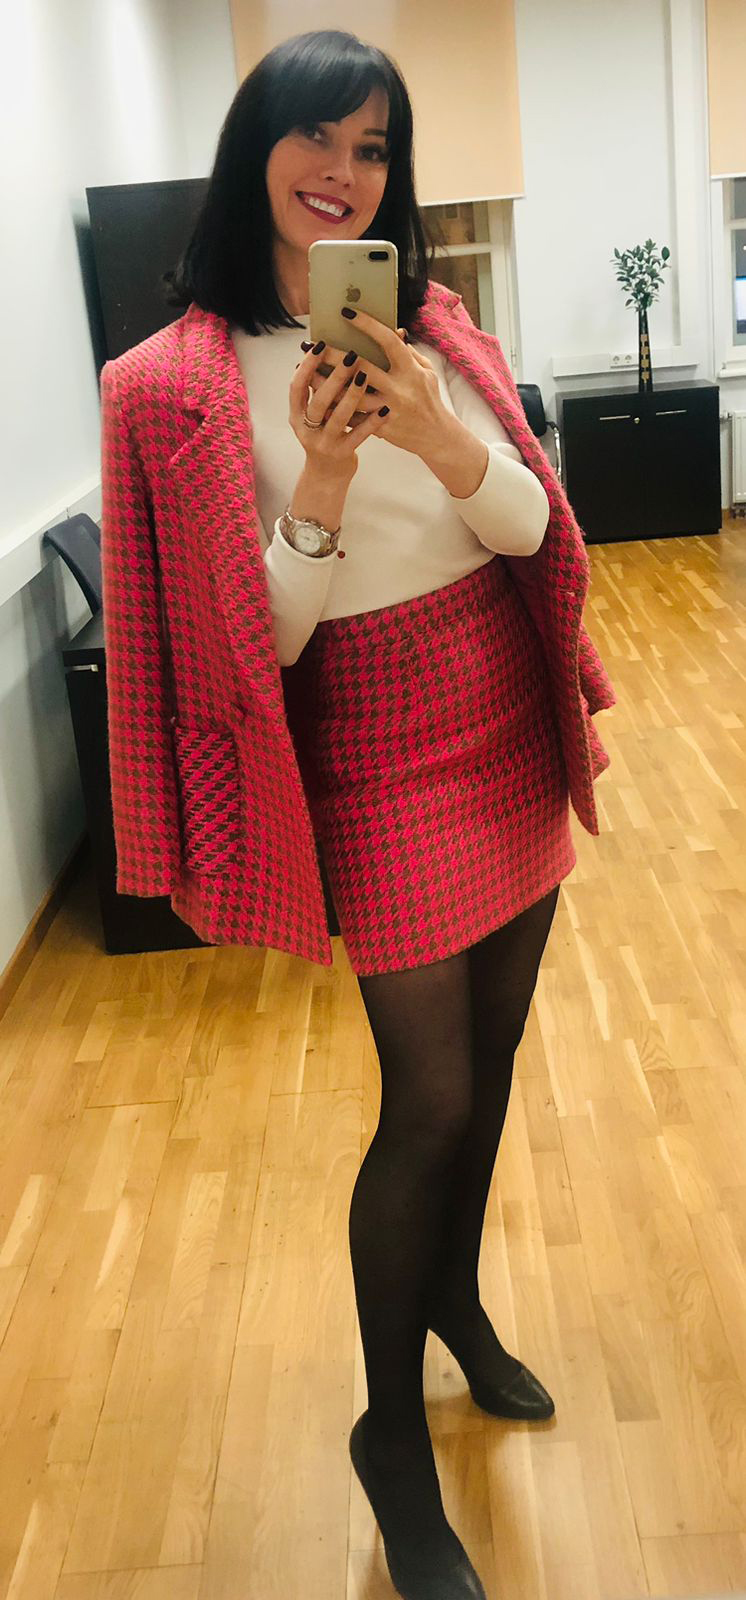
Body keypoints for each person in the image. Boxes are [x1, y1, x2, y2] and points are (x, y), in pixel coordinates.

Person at [100, 28, 616, 1600]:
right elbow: (240, 656)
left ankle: (455, 1298)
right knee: (428, 1100)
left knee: (498, 1055)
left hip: (499, 705)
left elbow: (528, 530)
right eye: (315, 138)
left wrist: (433, 431)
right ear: (253, 151)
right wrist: (320, 480)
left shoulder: (432, 325)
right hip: (371, 751)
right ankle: (388, 1432)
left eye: (373, 148)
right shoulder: (173, 384)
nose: (343, 173)